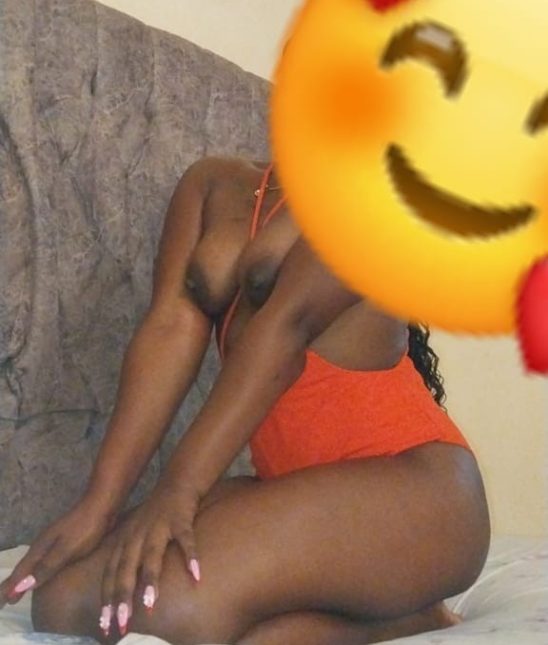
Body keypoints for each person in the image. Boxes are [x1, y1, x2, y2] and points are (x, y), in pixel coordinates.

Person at [0, 157, 490, 645]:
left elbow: (285, 331)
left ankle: (409, 620)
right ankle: (373, 612)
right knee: (61, 600)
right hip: (289, 488)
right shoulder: (212, 183)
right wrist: (100, 503)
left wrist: (179, 489)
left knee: (177, 610)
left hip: (416, 490)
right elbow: (170, 328)